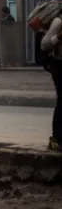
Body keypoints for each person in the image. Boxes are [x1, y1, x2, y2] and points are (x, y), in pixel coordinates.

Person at [41, 13, 62, 152]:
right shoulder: (58, 22)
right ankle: (56, 139)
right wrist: (59, 37)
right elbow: (44, 44)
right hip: (59, 65)